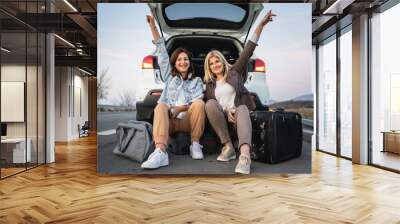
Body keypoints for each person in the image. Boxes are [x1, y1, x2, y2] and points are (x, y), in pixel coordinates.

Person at [203, 10, 276, 174]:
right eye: (211, 63)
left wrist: (261, 25)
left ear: (222, 61)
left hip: (240, 120)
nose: (215, 64)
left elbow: (248, 49)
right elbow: (207, 109)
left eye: (217, 61)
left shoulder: (235, 72)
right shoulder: (209, 86)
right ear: (209, 68)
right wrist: (225, 111)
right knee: (209, 103)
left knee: (242, 108)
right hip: (222, 126)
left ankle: (244, 157)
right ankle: (228, 147)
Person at [141, 15, 206, 169]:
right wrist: (153, 27)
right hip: (169, 120)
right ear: (175, 64)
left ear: (189, 63)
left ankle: (195, 144)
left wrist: (180, 109)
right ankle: (160, 153)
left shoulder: (197, 81)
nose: (182, 62)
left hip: (188, 121)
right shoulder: (169, 77)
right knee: (161, 106)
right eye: (179, 60)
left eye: (185, 59)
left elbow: (196, 100)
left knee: (199, 103)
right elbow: (162, 52)